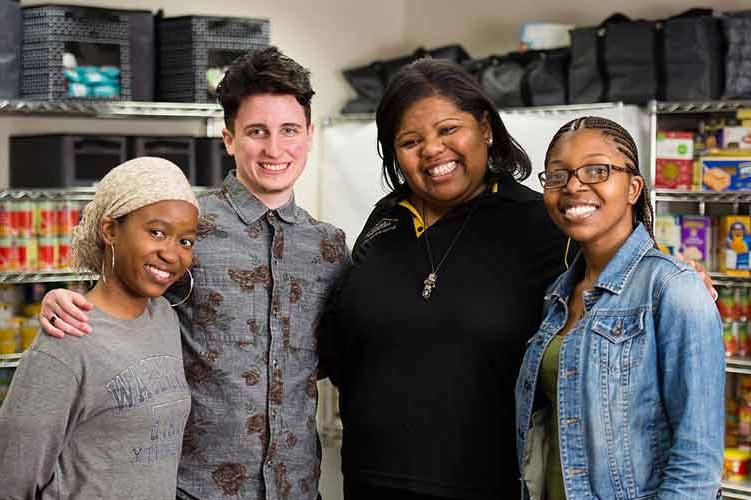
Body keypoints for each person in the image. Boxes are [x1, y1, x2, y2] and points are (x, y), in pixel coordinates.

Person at [38, 47, 348, 500]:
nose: (275, 149)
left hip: (298, 488)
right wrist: (61, 299)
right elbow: (116, 306)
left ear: (310, 135)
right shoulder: (187, 228)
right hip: (193, 488)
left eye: (289, 131)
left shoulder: (329, 246)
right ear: (228, 139)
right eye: (257, 132)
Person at [318, 58, 570, 499]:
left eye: (449, 130)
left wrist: (676, 278)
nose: (432, 150)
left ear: (486, 128)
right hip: (369, 478)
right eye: (411, 140)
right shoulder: (386, 221)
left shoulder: (540, 225)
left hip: (485, 483)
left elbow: (620, 285)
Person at [515, 117, 724, 500]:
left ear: (632, 187)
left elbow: (697, 464)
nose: (574, 185)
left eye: (597, 170)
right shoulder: (557, 296)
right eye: (558, 175)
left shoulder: (674, 289)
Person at [0, 157, 199, 499]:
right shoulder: (67, 339)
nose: (172, 253)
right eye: (156, 232)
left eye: (186, 241)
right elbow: (11, 479)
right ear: (110, 231)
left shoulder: (165, 318)